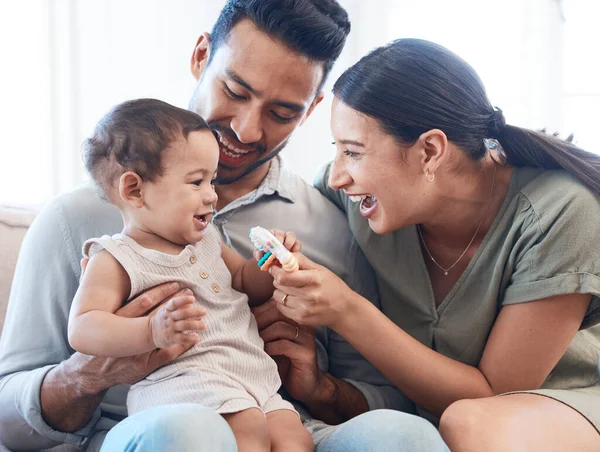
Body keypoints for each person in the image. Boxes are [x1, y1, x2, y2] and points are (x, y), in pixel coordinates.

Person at [0, 2, 447, 451]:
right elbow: (6, 423)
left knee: (406, 437)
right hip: (158, 428)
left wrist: (320, 387)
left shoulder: (334, 227)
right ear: (200, 58)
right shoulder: (75, 223)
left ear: (310, 111)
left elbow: (389, 398)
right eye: (235, 90)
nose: (247, 129)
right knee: (188, 435)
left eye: (281, 113)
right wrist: (86, 375)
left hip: (277, 414)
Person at [268, 38, 600, 452]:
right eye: (336, 150)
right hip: (430, 425)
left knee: (467, 423)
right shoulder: (357, 200)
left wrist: (346, 310)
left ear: (430, 151)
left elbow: (493, 394)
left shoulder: (562, 212)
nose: (337, 176)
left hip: (558, 406)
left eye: (353, 152)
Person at [68, 98, 312, 452]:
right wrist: (149, 330)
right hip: (185, 384)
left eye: (211, 180)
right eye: (196, 182)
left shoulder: (206, 240)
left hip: (251, 377)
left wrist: (267, 263)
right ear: (135, 189)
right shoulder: (116, 257)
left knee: (295, 439)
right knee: (246, 432)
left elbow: (244, 282)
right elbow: (83, 327)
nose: (212, 195)